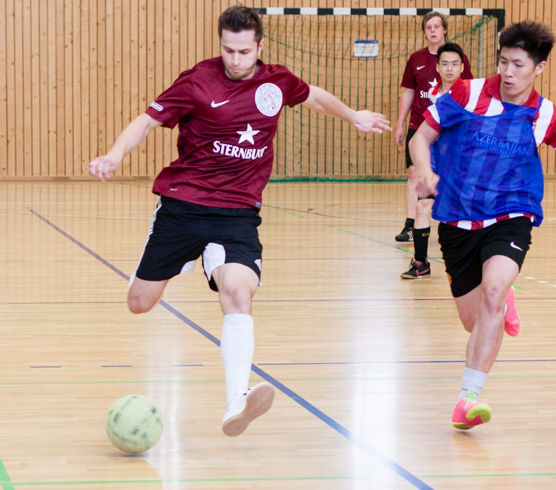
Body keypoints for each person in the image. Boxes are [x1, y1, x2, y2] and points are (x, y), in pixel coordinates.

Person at [88, 5, 390, 436]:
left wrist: (353, 115)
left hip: (237, 213)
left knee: (238, 294)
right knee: (140, 302)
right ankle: (186, 260)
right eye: (228, 50)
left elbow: (315, 95)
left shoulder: (277, 81)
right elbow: (147, 121)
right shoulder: (198, 80)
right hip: (184, 206)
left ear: (259, 46)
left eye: (244, 51)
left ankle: (236, 401)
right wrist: (115, 154)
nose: (234, 59)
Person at [411, 21, 556, 430]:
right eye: (503, 62)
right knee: (476, 322)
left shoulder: (546, 115)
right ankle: (503, 296)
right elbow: (420, 138)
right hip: (457, 218)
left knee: (492, 294)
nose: (508, 72)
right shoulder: (466, 94)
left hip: (511, 213)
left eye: (518, 65)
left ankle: (467, 400)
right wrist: (425, 171)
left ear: (538, 67)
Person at [394, 11, 472, 244]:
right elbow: (408, 92)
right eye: (429, 27)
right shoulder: (416, 59)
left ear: (444, 29)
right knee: (414, 171)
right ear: (424, 32)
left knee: (453, 173)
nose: (433, 31)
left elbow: (468, 89)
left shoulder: (457, 58)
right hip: (420, 124)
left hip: (448, 128)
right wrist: (400, 123)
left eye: (437, 26)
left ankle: (457, 225)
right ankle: (411, 225)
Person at [401, 42, 467, 279]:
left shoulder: (469, 95)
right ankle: (421, 263)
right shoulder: (433, 93)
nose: (449, 68)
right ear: (437, 67)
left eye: (454, 64)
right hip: (435, 158)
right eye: (445, 64)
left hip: (459, 162)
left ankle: (468, 262)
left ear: (462, 67)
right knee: (422, 206)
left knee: (459, 214)